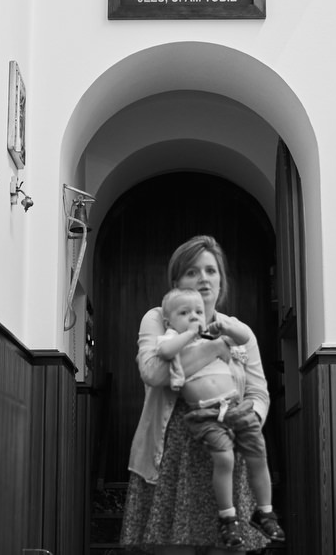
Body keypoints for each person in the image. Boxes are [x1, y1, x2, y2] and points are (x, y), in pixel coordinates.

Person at [120, 235, 281, 554]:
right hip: (170, 458)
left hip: (226, 452)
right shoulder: (159, 319)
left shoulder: (238, 331)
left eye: (211, 270)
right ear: (176, 283)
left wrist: (247, 421)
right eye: (192, 272)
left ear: (221, 280)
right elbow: (154, 373)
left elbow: (258, 393)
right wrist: (215, 348)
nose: (203, 278)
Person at [156, 287, 286, 548]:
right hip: (206, 414)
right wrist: (189, 333)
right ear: (169, 322)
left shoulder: (212, 335)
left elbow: (244, 337)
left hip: (234, 406)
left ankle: (265, 512)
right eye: (184, 313)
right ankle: (228, 517)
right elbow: (166, 352)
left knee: (258, 453)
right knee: (224, 458)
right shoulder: (173, 337)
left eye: (198, 312)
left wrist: (226, 328)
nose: (193, 317)